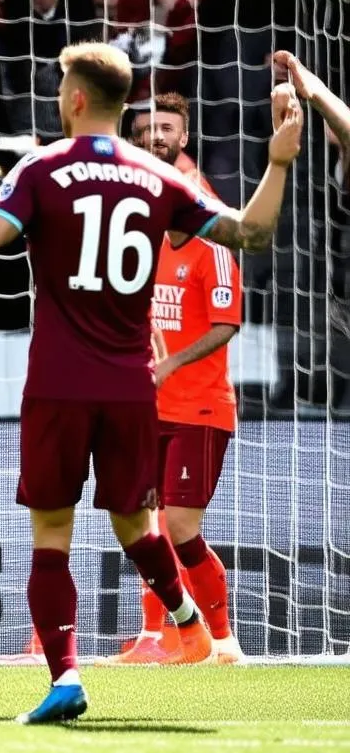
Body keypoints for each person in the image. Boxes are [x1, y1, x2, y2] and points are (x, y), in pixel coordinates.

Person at [0, 41, 303, 724]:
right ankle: (187, 617)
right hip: (134, 386)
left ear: (74, 98)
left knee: (53, 532)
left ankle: (66, 678)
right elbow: (252, 234)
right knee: (136, 520)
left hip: (57, 381)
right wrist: (279, 161)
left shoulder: (41, 168)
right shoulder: (160, 179)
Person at [110, 92, 244, 665]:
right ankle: (158, 636)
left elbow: (228, 320)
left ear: (184, 140)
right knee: (143, 524)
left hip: (200, 407)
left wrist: (168, 363)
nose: (156, 135)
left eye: (167, 127)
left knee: (180, 527)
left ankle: (223, 641)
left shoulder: (211, 239)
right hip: (147, 407)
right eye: (147, 128)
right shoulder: (140, 237)